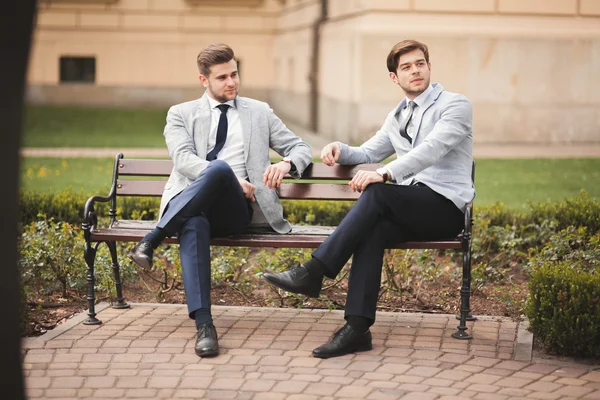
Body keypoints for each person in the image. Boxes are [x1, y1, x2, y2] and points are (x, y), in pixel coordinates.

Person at [263, 39, 475, 359]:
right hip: (413, 206)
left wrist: (386, 174)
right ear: (395, 77)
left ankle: (314, 272)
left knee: (377, 193)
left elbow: (432, 149)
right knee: (370, 230)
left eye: (420, 63)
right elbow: (368, 152)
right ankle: (357, 329)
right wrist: (340, 149)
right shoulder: (398, 116)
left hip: (445, 207)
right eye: (406, 67)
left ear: (429, 67)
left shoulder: (455, 105)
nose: (415, 70)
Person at [128, 43, 312, 357]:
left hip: (236, 210)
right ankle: (204, 326)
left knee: (219, 172)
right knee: (199, 211)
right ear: (204, 81)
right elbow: (184, 160)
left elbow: (301, 148)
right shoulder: (181, 114)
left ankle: (153, 237)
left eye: (235, 74)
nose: (232, 82)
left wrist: (286, 164)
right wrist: (227, 176)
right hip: (193, 206)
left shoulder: (259, 112)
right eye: (222, 77)